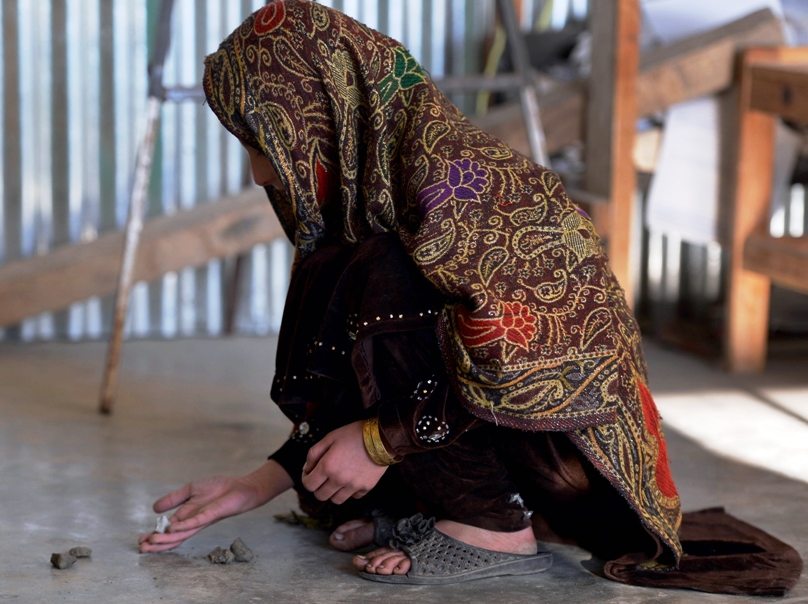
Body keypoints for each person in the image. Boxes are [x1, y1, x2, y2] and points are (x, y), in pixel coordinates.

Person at [138, 1, 800, 592]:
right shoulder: (370, 200)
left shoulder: (463, 193)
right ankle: (440, 508)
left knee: (383, 274)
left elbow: (531, 376)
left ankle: (491, 532)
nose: (259, 173)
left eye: (261, 144)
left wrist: (378, 440)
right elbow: (349, 368)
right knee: (348, 269)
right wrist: (260, 481)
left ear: (327, 112)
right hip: (501, 448)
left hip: (564, 465)